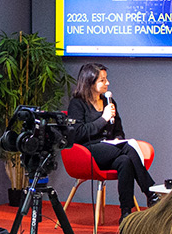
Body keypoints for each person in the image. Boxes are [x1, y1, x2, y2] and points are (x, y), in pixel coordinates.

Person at [66, 62, 159, 218]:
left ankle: (126, 214)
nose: (107, 83)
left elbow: (119, 130)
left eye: (106, 79)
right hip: (87, 151)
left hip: (111, 150)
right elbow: (77, 133)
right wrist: (103, 119)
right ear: (90, 81)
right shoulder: (77, 104)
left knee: (125, 161)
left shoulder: (109, 102)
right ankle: (151, 192)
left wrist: (117, 139)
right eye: (102, 80)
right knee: (128, 148)